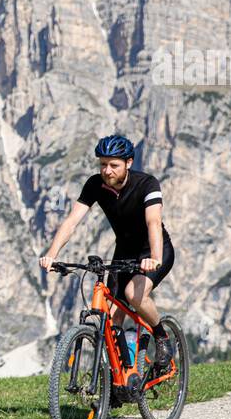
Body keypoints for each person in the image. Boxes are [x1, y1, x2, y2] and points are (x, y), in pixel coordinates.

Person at [38, 134, 176, 374]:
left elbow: (154, 222)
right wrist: (51, 254)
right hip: (124, 253)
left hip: (155, 250)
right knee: (111, 321)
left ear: (128, 163)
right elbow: (72, 221)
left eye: (114, 165)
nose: (107, 170)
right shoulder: (95, 185)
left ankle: (162, 337)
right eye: (103, 164)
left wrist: (154, 257)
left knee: (133, 294)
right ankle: (119, 381)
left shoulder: (147, 184)